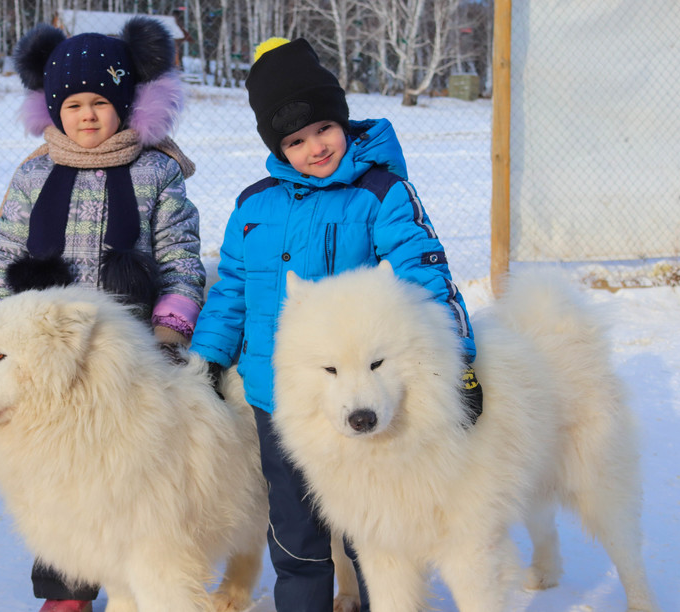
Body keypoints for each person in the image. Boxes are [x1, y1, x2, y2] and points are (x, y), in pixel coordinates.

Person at [189, 37, 482, 612]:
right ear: (278, 147)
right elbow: (229, 295)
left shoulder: (379, 194)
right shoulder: (254, 206)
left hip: (363, 393)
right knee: (294, 530)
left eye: (322, 128)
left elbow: (427, 275)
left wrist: (462, 361)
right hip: (282, 401)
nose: (314, 147)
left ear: (341, 119)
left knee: (373, 529)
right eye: (294, 140)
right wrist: (206, 362)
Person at [0, 18, 206, 612]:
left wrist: (171, 326)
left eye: (100, 102)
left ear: (127, 103)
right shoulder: (33, 175)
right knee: (52, 471)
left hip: (124, 359)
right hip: (44, 355)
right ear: (54, 108)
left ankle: (133, 568)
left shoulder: (156, 173)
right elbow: (5, 256)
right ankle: (64, 584)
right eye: (73, 103)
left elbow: (181, 258)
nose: (86, 115)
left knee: (116, 469)